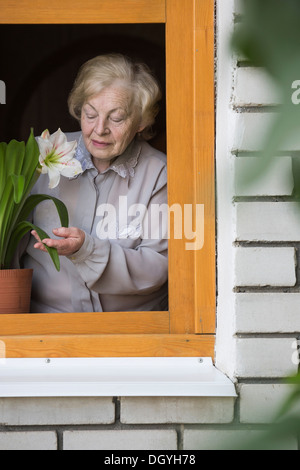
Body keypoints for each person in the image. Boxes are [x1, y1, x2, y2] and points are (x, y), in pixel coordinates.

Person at [22, 53, 168, 313]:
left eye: (117, 118)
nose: (99, 129)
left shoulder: (160, 173)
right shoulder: (42, 156)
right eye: (90, 114)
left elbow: (158, 266)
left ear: (141, 121)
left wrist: (87, 251)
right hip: (45, 325)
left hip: (131, 330)